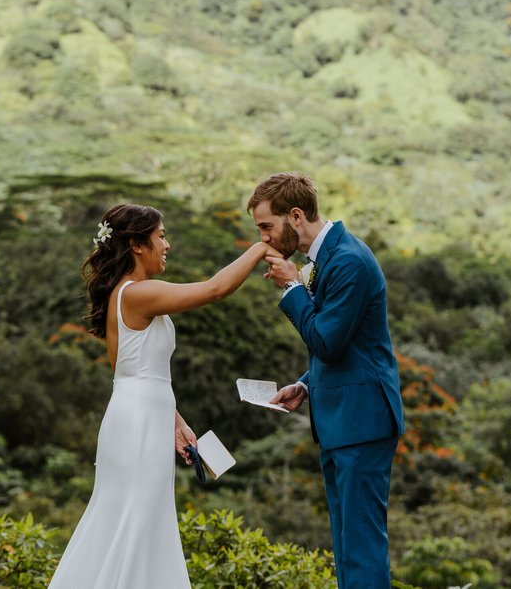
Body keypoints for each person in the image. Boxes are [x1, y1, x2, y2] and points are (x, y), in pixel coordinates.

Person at [48, 203, 280, 589]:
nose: (167, 244)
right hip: (137, 424)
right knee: (136, 517)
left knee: (138, 516)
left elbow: (134, 372)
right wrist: (261, 247)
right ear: (138, 245)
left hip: (139, 415)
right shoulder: (138, 294)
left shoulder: (123, 296)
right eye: (161, 236)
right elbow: (215, 289)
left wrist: (175, 422)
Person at [249, 172, 405, 589]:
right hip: (340, 419)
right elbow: (345, 342)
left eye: (267, 226)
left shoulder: (349, 260)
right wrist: (305, 384)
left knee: (361, 548)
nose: (263, 238)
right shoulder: (324, 257)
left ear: (295, 216)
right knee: (346, 546)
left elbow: (329, 342)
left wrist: (291, 289)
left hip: (362, 419)